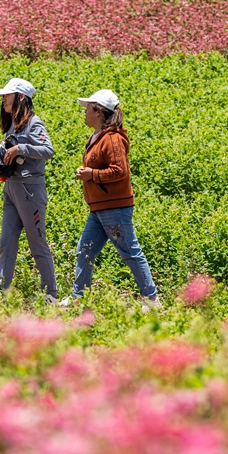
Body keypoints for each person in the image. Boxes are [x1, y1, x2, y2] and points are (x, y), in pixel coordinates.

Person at [61, 89, 159, 310]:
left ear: (99, 111)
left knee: (130, 253)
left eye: (88, 107)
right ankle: (80, 298)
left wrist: (92, 175)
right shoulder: (97, 137)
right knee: (84, 251)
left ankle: (151, 299)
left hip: (114, 208)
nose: (84, 111)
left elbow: (120, 170)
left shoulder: (113, 138)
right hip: (99, 208)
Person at [0, 77, 58, 301]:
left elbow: (48, 149)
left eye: (7, 96)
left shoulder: (35, 123)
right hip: (12, 189)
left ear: (21, 97)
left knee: (37, 242)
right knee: (6, 242)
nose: (3, 100)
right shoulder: (14, 125)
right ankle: (0, 291)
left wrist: (19, 148)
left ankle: (50, 294)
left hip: (30, 191)